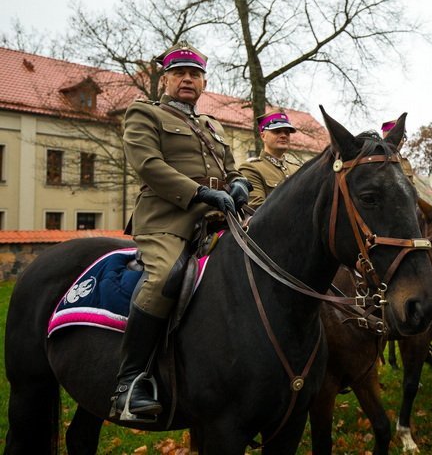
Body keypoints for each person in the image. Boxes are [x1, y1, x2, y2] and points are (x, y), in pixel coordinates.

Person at [115, 41, 251, 420]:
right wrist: (201, 192)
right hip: (167, 220)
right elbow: (148, 165)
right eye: (179, 73)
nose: (187, 79)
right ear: (166, 79)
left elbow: (230, 168)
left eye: (194, 74)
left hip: (221, 219)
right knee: (165, 277)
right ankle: (129, 382)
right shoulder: (145, 114)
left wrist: (239, 184)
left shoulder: (212, 125)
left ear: (204, 82)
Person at [239, 110, 303, 209]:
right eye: (277, 131)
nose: (283, 135)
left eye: (287, 132)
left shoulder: (298, 169)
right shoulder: (251, 168)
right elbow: (257, 210)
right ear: (263, 136)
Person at [381, 119, 415, 184]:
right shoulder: (375, 157)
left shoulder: (405, 163)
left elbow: (412, 188)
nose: (402, 141)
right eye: (399, 137)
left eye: (404, 137)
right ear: (385, 135)